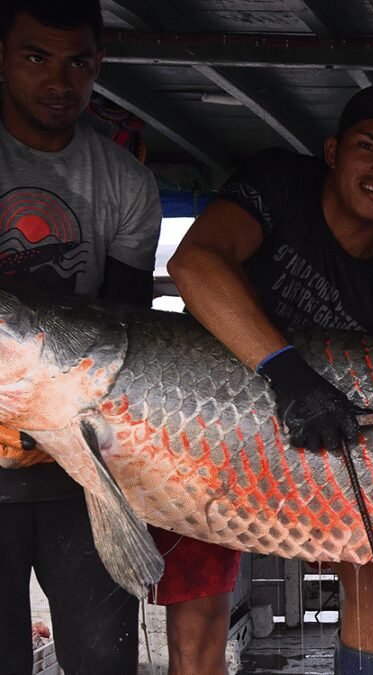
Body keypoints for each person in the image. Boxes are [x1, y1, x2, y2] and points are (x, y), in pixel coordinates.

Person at [166, 84, 373, 675]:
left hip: (320, 440)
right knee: (200, 595)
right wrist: (287, 374)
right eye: (369, 147)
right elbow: (195, 262)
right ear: (333, 152)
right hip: (209, 419)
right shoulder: (281, 182)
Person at [0, 0, 162, 673]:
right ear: (2, 55)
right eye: (36, 57)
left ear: (99, 63)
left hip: (81, 469)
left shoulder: (126, 184)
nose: (58, 81)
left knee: (103, 660)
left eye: (77, 62)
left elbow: (126, 333)